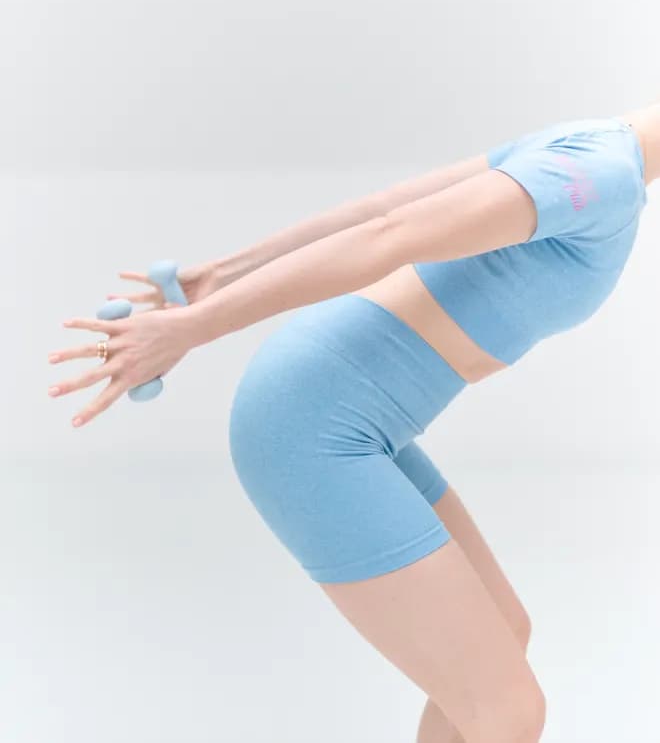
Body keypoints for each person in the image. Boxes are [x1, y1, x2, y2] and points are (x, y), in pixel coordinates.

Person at [48, 104, 656, 743]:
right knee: (508, 710)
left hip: (354, 420)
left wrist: (222, 276)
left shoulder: (590, 146)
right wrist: (190, 329)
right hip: (313, 426)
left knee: (505, 641)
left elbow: (386, 208)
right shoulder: (601, 172)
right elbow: (391, 232)